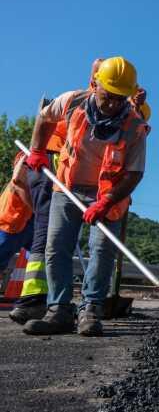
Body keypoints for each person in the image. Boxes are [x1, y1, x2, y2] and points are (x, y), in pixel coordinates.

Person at [7, 59, 150, 325]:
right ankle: (59, 310)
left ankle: (91, 310)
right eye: (108, 97)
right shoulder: (73, 101)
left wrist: (105, 202)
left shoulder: (134, 126)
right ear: (95, 85)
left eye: (120, 99)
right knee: (56, 247)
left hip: (107, 196)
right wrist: (37, 150)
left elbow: (134, 173)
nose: (112, 105)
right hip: (66, 188)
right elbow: (44, 117)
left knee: (101, 250)